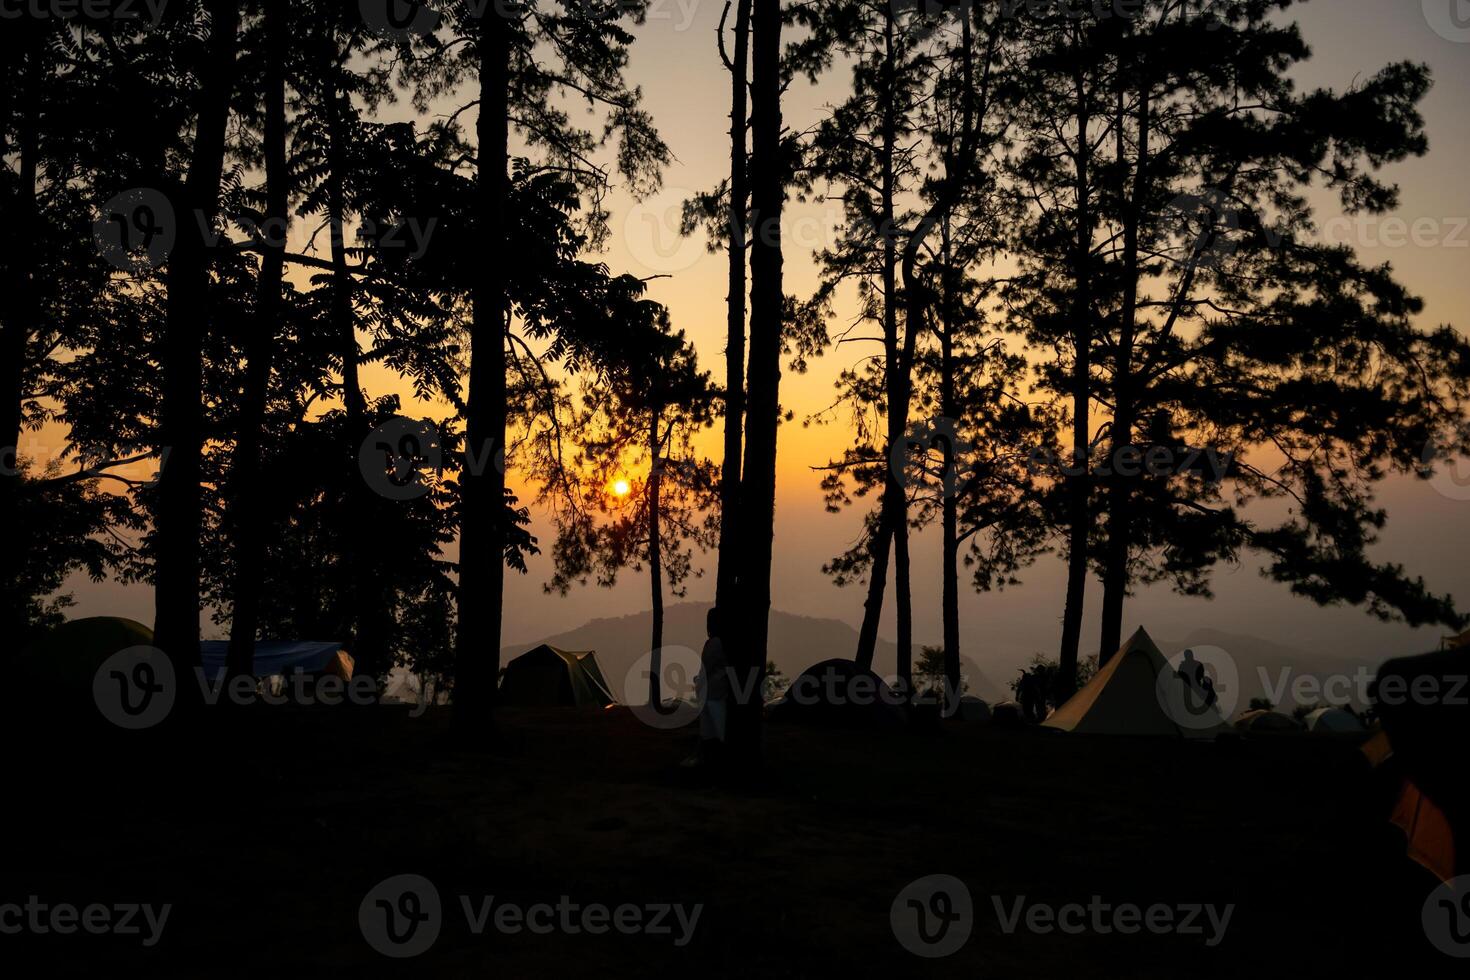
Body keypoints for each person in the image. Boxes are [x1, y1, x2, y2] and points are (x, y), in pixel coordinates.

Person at [696, 607, 730, 761]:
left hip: (710, 694)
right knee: (717, 732)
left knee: (710, 733)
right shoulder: (720, 643)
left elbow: (706, 668)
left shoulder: (713, 643)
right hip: (716, 694)